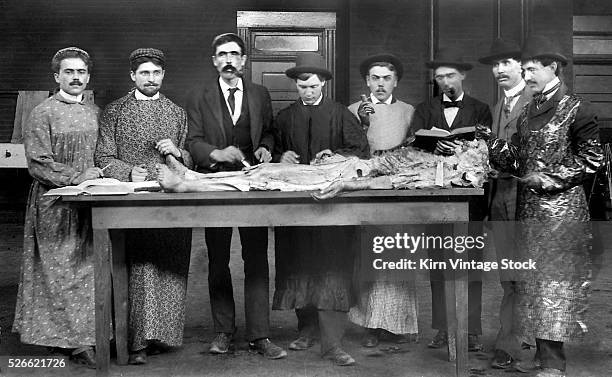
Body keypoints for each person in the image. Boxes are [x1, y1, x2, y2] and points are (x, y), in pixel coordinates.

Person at [482, 35, 602, 377]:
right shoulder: (529, 111)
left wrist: (548, 179)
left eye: (532, 68)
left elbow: (592, 161)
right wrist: (489, 141)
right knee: (533, 285)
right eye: (525, 69)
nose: (527, 74)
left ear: (554, 67)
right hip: (529, 211)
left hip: (562, 213)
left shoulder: (578, 108)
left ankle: (553, 365)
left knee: (554, 286)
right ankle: (539, 357)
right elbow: (516, 161)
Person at [185, 33, 286, 359]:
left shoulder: (260, 94)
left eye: (234, 54)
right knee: (217, 260)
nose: (228, 60)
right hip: (216, 186)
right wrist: (216, 153)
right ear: (215, 60)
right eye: (222, 55)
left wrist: (266, 147)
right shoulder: (198, 96)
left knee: (256, 258)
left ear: (243, 61)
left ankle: (260, 335)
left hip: (254, 185)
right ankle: (223, 332)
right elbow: (193, 141)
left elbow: (269, 131)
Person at [94, 48, 193, 364]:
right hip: (131, 200)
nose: (151, 78)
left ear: (163, 75)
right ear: (133, 76)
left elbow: (189, 163)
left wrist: (177, 153)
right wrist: (126, 171)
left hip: (169, 201)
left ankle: (161, 337)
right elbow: (103, 157)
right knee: (135, 269)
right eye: (144, 73)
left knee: (168, 266)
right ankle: (133, 342)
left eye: (156, 73)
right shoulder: (115, 112)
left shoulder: (176, 112)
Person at [271, 52, 369, 366]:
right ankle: (307, 329)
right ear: (295, 85)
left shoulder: (341, 114)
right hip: (296, 206)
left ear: (324, 82)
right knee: (299, 262)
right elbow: (270, 149)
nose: (308, 92)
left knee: (333, 266)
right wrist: (281, 155)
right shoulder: (284, 117)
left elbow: (360, 151)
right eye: (302, 87)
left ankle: (333, 342)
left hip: (334, 207)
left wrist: (337, 155)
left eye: (313, 86)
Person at [13, 47, 102, 368]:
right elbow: (38, 163)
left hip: (90, 202)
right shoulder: (42, 112)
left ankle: (86, 335)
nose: (75, 77)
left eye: (81, 72)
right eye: (69, 72)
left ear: (88, 77)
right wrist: (77, 176)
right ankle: (70, 342)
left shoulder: (95, 112)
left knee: (88, 269)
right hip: (55, 204)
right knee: (60, 271)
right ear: (57, 77)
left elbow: (101, 157)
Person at [411, 47, 492, 351]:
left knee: (470, 265)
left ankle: (470, 330)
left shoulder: (481, 108)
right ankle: (443, 328)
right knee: (437, 265)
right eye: (439, 77)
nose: (444, 81)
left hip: (469, 199)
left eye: (450, 75)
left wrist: (460, 149)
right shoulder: (425, 108)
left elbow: (487, 148)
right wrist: (435, 149)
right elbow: (414, 145)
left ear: (463, 76)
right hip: (434, 196)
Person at [347, 53, 419, 347]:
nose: (380, 84)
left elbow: (416, 149)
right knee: (369, 257)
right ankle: (370, 326)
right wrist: (362, 125)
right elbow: (349, 150)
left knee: (398, 256)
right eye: (375, 78)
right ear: (367, 81)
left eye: (386, 78)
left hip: (399, 190)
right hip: (365, 190)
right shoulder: (353, 110)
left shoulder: (409, 111)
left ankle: (397, 325)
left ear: (396, 82)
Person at [478, 38, 533, 370]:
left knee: (523, 276)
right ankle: (514, 337)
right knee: (509, 276)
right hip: (501, 201)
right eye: (495, 65)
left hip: (527, 201)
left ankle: (511, 343)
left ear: (521, 66)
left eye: (506, 63)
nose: (499, 69)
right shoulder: (498, 105)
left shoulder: (535, 102)